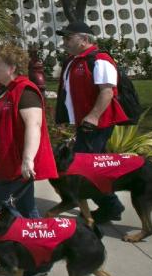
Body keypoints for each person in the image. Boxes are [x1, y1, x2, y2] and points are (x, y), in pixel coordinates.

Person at [56, 21, 130, 224]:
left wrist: (94, 116)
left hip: (97, 124)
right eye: (65, 38)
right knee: (94, 166)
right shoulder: (77, 60)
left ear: (85, 39)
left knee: (85, 169)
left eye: (69, 38)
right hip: (86, 124)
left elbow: (107, 91)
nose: (65, 42)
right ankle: (109, 203)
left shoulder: (100, 60)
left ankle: (111, 206)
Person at [0, 43, 58, 220]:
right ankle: (39, 240)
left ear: (11, 68)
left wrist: (28, 160)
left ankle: (28, 241)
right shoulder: (3, 90)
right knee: (26, 209)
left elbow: (34, 125)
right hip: (8, 163)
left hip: (16, 164)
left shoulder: (25, 91)